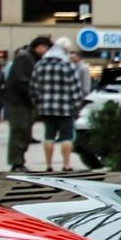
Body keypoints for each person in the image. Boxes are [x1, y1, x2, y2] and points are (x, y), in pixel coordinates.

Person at [30, 37, 83, 173]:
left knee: (49, 136)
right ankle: (66, 165)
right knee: (66, 137)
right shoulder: (68, 65)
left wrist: (38, 102)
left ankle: (49, 165)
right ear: (64, 49)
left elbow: (33, 87)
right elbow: (76, 88)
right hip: (65, 108)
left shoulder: (40, 65)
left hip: (46, 108)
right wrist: (77, 105)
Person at [5, 36, 51, 172]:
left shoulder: (32, 58)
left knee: (24, 132)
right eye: (45, 47)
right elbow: (21, 80)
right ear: (39, 46)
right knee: (19, 130)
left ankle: (19, 161)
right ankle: (16, 162)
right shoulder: (24, 58)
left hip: (25, 101)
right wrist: (34, 94)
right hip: (19, 101)